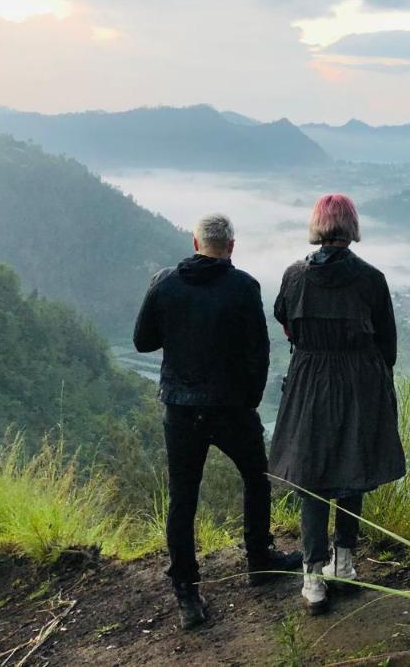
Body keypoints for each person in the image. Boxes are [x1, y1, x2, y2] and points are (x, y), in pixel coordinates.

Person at [133, 213, 300, 631]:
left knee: (183, 496)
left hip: (181, 409)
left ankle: (187, 594)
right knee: (256, 476)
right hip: (231, 406)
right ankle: (259, 560)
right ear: (231, 246)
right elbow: (257, 350)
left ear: (195, 244)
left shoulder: (165, 284)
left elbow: (143, 340)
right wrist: (251, 399)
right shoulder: (243, 286)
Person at [269, 193, 407, 615]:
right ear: (351, 226)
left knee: (313, 476)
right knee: (353, 467)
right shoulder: (370, 278)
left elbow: (283, 316)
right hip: (359, 381)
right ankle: (344, 562)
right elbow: (388, 343)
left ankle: (312, 578)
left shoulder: (294, 276)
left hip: (309, 380)